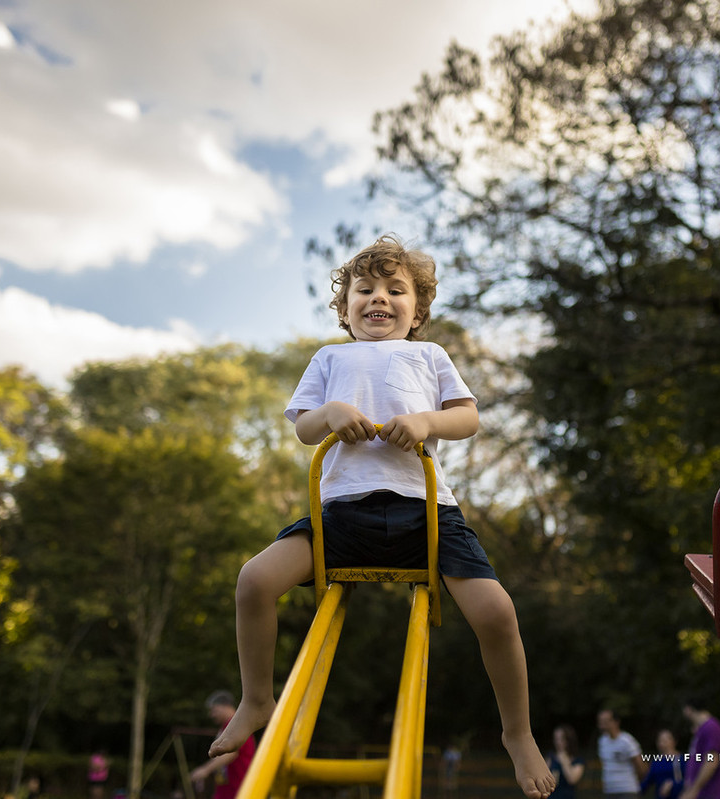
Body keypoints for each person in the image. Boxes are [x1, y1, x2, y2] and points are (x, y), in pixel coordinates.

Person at [207, 234, 556, 799]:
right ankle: (255, 700)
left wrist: (424, 423)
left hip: (426, 515)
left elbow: (466, 419)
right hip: (341, 517)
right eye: (364, 290)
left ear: (418, 310)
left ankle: (518, 733)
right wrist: (332, 412)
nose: (380, 298)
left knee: (497, 614)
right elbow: (303, 428)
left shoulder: (430, 355)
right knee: (253, 580)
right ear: (345, 310)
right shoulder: (329, 358)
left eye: (397, 290)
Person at [190, 691, 256, 799]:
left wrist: (205, 769)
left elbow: (231, 753)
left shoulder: (237, 724)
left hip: (240, 787)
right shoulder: (227, 726)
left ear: (225, 706)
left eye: (214, 710)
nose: (211, 715)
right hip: (226, 790)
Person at [679, 698, 720, 799]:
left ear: (688, 709)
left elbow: (711, 761)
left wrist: (694, 790)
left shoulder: (711, 728)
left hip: (713, 793)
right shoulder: (702, 729)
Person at [596, 709, 645, 798]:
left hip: (627, 790)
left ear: (616, 722)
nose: (602, 725)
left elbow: (640, 766)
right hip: (609, 790)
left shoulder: (627, 741)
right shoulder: (602, 741)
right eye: (600, 721)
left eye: (605, 721)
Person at [640, 729, 684, 799]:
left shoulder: (681, 760)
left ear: (674, 741)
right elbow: (647, 782)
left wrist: (673, 784)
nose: (662, 743)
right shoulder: (656, 762)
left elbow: (690, 781)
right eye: (659, 740)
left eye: (665, 740)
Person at [547, 724, 585, 799]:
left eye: (561, 739)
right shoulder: (551, 757)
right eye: (556, 739)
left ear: (569, 740)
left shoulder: (578, 760)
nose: (558, 742)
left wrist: (564, 760)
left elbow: (572, 779)